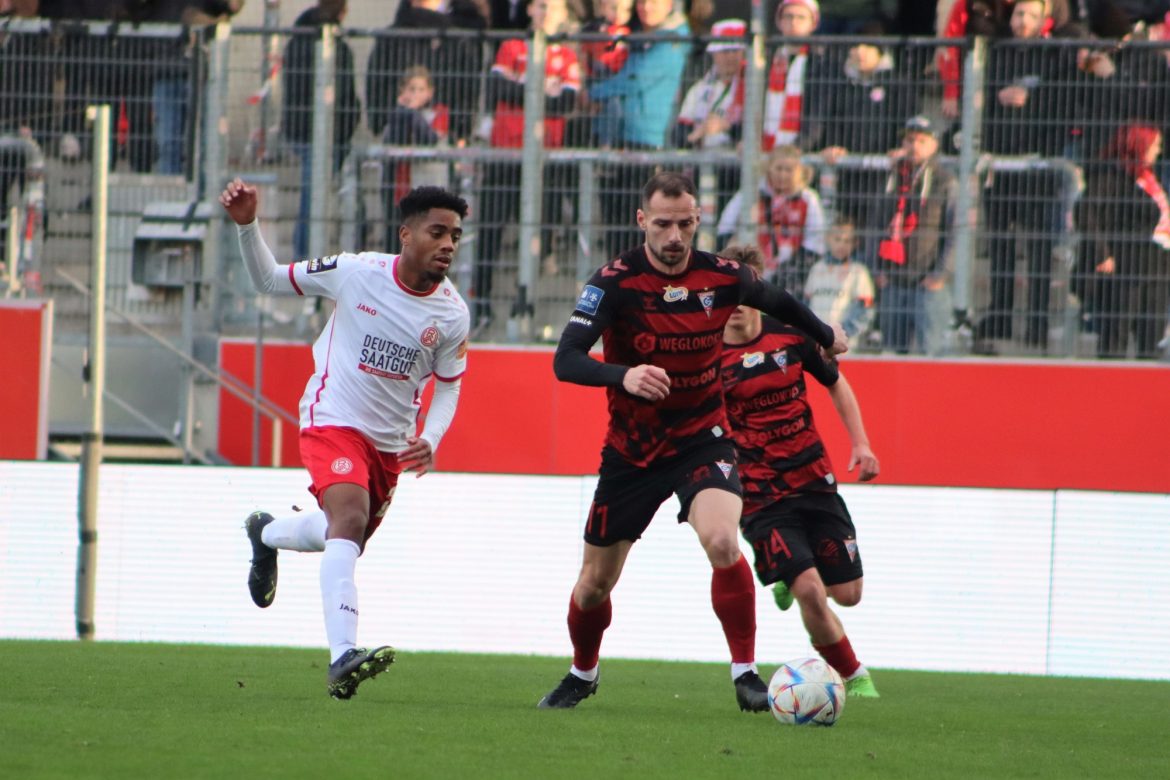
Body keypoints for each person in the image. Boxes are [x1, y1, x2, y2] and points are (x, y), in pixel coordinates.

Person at [538, 171, 848, 711]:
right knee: (593, 585)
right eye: (663, 224)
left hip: (703, 439)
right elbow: (565, 359)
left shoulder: (724, 275)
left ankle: (746, 675)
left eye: (685, 223)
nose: (675, 236)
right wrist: (623, 375)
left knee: (725, 543)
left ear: (698, 219)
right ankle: (582, 673)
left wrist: (826, 334)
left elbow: (781, 301)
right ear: (642, 222)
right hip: (631, 452)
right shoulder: (611, 282)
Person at [219, 179, 471, 699]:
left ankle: (265, 533)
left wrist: (432, 436)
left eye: (456, 236)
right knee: (349, 519)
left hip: (389, 447)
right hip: (332, 418)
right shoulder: (356, 272)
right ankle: (342, 658)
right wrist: (247, 224)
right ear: (406, 234)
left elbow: (449, 387)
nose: (448, 243)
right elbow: (268, 280)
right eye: (438, 231)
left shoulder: (451, 314)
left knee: (343, 533)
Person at [719, 241, 881, 699]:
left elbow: (837, 383)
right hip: (760, 495)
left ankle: (791, 578)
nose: (736, 305)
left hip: (814, 480)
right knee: (810, 588)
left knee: (847, 594)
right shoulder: (706, 354)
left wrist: (862, 443)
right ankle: (854, 676)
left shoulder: (791, 336)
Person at [473, 0, 580, 332]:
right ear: (531, 10)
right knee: (489, 230)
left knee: (541, 235)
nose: (546, 12)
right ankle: (481, 307)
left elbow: (566, 102)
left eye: (554, 7)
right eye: (541, 5)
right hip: (506, 154)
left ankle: (529, 307)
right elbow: (497, 85)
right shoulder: (511, 46)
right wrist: (541, 90)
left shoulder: (567, 55)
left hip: (545, 158)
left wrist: (522, 89)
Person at [1076, 123, 1170, 358]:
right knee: (1117, 331)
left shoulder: (1148, 175)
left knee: (1152, 333)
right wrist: (1102, 253)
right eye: (1154, 145)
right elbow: (1086, 213)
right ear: (1138, 145)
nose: (1158, 151)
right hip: (1127, 263)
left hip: (1157, 263)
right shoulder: (1112, 175)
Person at [281, 0, 361, 259]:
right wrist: (345, 132)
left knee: (311, 196)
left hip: (300, 130)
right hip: (327, 134)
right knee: (316, 198)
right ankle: (306, 258)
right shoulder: (337, 48)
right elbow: (346, 96)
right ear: (343, 13)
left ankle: (304, 257)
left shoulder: (296, 42)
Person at [875, 115, 956, 355]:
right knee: (891, 355)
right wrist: (877, 269)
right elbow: (875, 225)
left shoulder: (945, 180)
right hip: (893, 280)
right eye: (910, 140)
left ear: (934, 145)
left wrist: (941, 273)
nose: (914, 146)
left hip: (928, 283)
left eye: (922, 140)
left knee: (931, 355)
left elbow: (957, 232)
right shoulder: (893, 177)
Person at [716, 144, 826, 299]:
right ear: (769, 169)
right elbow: (725, 227)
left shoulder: (809, 199)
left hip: (793, 271)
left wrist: (788, 270)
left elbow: (815, 242)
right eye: (778, 169)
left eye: (788, 170)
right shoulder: (751, 192)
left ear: (799, 172)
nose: (782, 175)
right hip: (753, 265)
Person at [378, 65, 450, 252]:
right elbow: (393, 141)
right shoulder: (397, 115)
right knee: (395, 249)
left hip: (425, 195)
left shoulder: (438, 112)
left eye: (420, 90)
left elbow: (429, 139)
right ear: (402, 91)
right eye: (411, 89)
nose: (416, 94)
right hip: (398, 194)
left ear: (430, 93)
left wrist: (411, 112)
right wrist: (402, 113)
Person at [804, 214, 876, 350]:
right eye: (837, 239)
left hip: (844, 346)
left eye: (847, 241)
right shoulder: (816, 269)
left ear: (855, 243)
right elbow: (807, 304)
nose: (842, 245)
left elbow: (865, 312)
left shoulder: (859, 272)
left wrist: (843, 335)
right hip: (815, 342)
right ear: (828, 239)